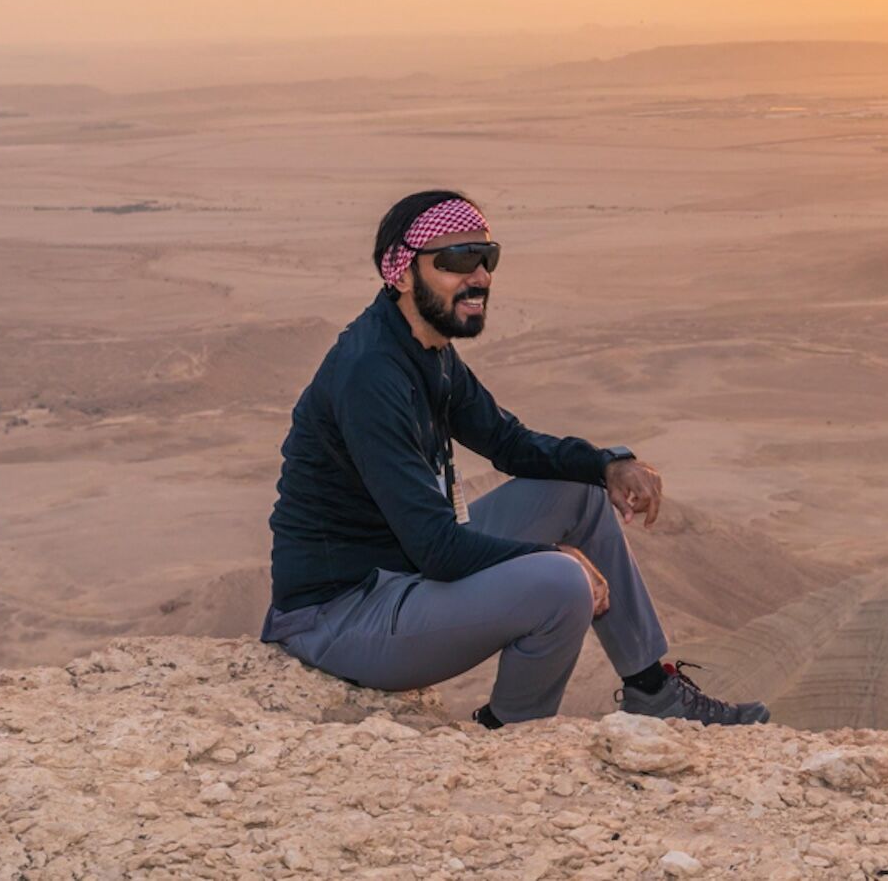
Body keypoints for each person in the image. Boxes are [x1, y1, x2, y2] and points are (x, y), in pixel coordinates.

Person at [260, 189, 769, 728]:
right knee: (561, 584)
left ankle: (652, 689)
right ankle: (508, 733)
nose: (479, 276)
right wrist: (552, 556)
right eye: (457, 260)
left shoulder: (426, 349)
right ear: (402, 273)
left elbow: (508, 443)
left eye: (487, 258)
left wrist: (606, 464)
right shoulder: (372, 374)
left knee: (578, 494)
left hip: (403, 574)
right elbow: (438, 549)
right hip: (342, 616)